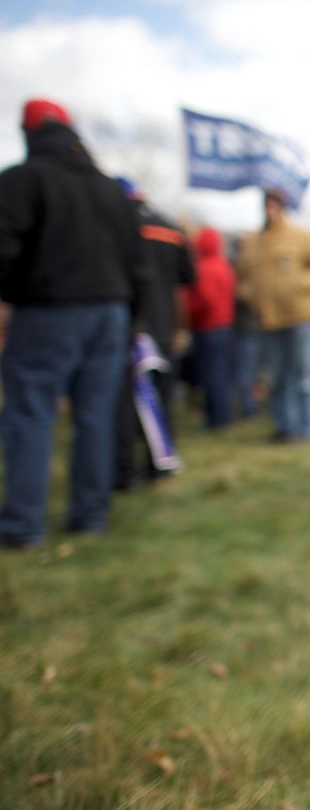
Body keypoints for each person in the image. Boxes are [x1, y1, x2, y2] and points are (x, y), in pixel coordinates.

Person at [0, 99, 150, 547]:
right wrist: (132, 318)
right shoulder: (111, 190)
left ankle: (24, 524)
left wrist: (9, 295)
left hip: (50, 309)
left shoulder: (22, 180)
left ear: (29, 133)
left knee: (31, 411)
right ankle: (90, 513)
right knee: (95, 414)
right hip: (111, 312)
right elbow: (136, 262)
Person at [237, 187, 310, 443]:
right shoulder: (255, 242)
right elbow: (244, 278)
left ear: (283, 207)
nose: (271, 210)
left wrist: (299, 285)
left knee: (306, 377)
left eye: (275, 204)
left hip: (303, 318)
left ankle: (308, 428)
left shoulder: (302, 236)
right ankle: (286, 427)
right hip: (270, 320)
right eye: (267, 204)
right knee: (279, 378)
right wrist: (254, 295)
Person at [114, 179, 197, 489]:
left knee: (123, 402)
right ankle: (159, 461)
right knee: (161, 396)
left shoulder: (115, 225)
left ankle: (125, 471)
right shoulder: (170, 228)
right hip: (164, 325)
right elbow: (189, 277)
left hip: (129, 324)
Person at [186, 226, 237, 429]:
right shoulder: (223, 265)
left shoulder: (204, 267)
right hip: (224, 325)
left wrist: (189, 314)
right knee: (221, 372)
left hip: (208, 326)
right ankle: (223, 415)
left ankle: (216, 418)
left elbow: (205, 300)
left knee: (211, 374)